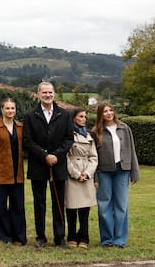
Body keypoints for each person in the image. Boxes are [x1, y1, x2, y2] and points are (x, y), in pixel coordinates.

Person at [23, 81, 74, 248]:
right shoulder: (30, 115)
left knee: (58, 202)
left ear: (54, 94)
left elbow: (69, 139)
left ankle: (60, 238)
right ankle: (40, 237)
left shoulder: (64, 115)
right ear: (38, 94)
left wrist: (55, 155)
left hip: (58, 165)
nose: (48, 95)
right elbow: (28, 141)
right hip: (38, 165)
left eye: (50, 92)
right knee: (39, 203)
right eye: (44, 92)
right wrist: (45, 156)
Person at [92, 102, 140, 248]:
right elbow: (93, 155)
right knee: (104, 205)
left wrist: (134, 173)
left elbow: (131, 150)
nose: (108, 113)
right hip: (103, 171)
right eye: (105, 111)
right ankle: (107, 239)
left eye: (110, 110)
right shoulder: (96, 131)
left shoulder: (124, 128)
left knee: (121, 205)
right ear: (100, 114)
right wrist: (94, 177)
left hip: (122, 170)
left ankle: (119, 239)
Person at [0, 98, 27, 245]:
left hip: (18, 174)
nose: (10, 111)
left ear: (15, 110)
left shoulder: (21, 127)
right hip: (0, 174)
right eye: (7, 108)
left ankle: (18, 237)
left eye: (12, 108)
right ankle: (4, 236)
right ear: (2, 110)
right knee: (0, 207)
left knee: (18, 206)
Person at [64, 107, 98, 249]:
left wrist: (88, 173)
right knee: (71, 208)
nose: (84, 119)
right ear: (73, 118)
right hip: (72, 174)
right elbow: (65, 157)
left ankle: (84, 237)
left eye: (85, 117)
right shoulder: (67, 134)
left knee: (85, 209)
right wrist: (76, 174)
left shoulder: (89, 136)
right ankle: (71, 236)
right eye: (81, 117)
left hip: (86, 174)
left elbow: (94, 157)